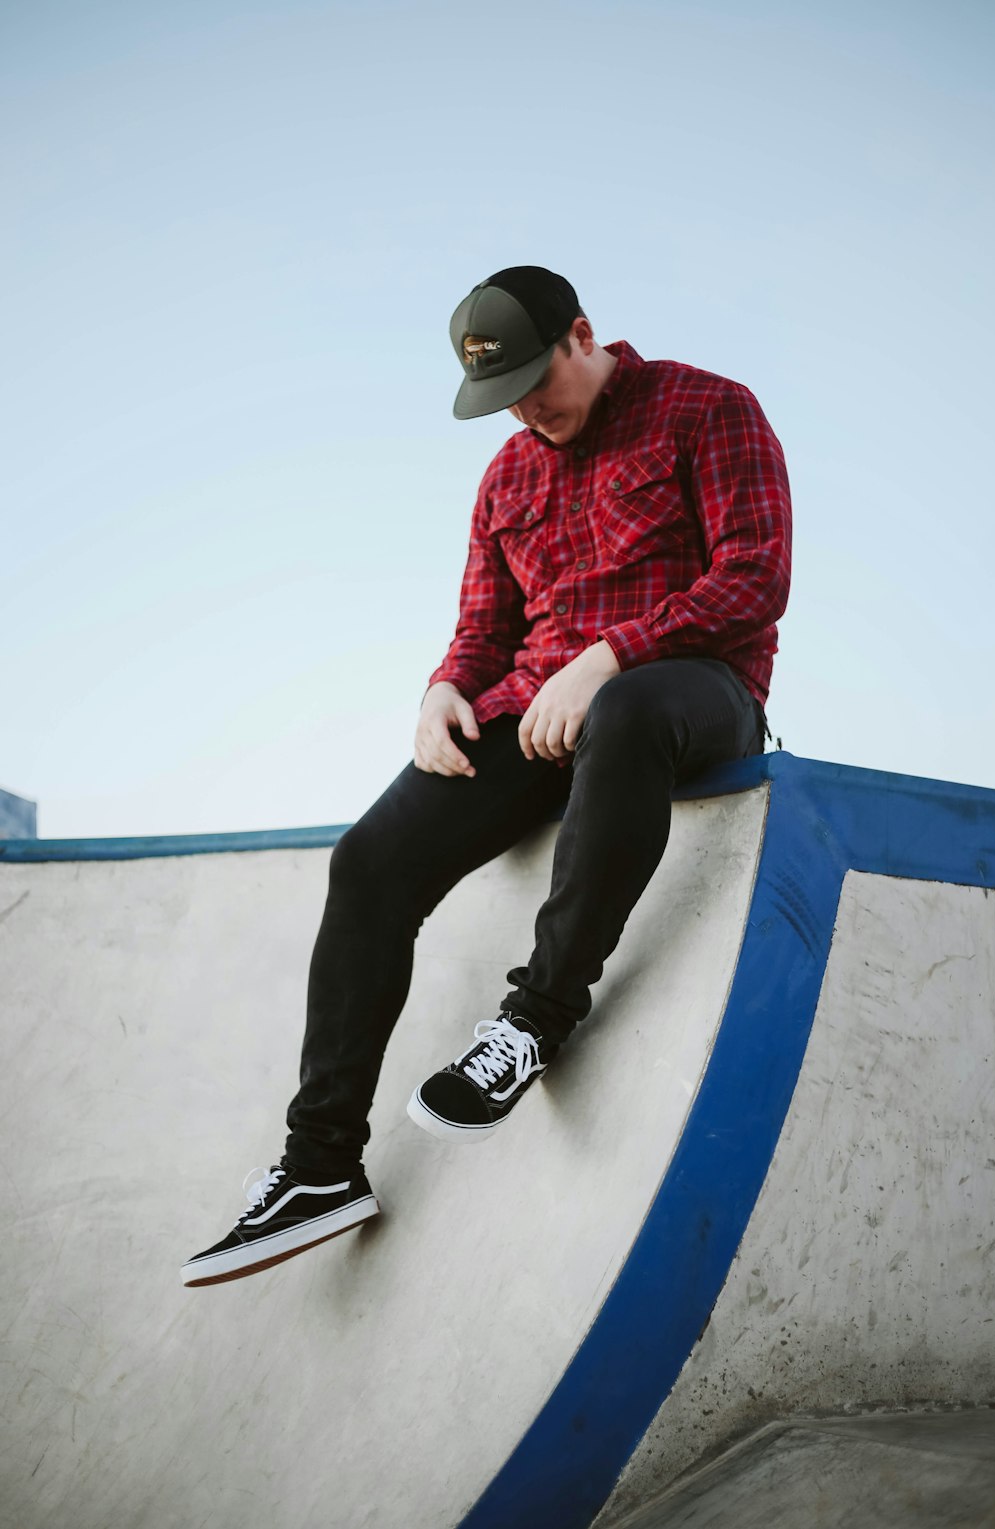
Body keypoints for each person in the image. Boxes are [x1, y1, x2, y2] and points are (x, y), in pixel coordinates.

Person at [181, 265, 792, 1288]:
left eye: (533, 385)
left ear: (581, 336)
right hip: (535, 708)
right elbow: (482, 628)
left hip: (689, 691)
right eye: (500, 398)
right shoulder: (508, 477)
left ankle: (532, 1022)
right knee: (371, 860)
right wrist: (441, 689)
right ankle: (318, 1164)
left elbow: (754, 576)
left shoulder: (705, 406)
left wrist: (609, 656)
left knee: (629, 709)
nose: (524, 412)